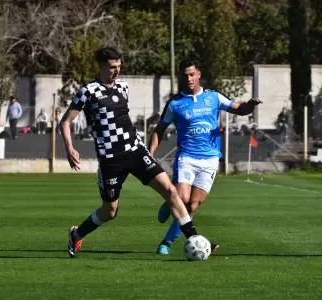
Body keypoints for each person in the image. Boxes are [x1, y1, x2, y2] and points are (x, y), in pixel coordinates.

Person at [60, 46, 201, 258]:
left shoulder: (123, 88)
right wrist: (70, 148)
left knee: (171, 191)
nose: (117, 71)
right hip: (111, 160)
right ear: (101, 67)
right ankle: (77, 234)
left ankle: (194, 239)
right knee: (110, 212)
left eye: (119, 66)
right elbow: (65, 122)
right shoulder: (87, 92)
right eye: (112, 67)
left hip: (135, 150)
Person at [148, 56, 263, 255]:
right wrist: (149, 156)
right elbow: (159, 130)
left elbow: (239, 108)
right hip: (187, 157)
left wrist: (250, 105)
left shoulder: (213, 97)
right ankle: (172, 201)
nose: (189, 79)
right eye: (185, 76)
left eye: (192, 74)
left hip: (210, 160)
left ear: (199, 74)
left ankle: (165, 243)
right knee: (182, 199)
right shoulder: (175, 103)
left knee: (193, 204)